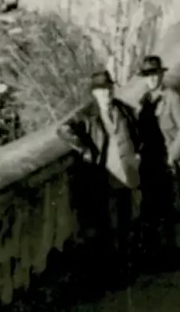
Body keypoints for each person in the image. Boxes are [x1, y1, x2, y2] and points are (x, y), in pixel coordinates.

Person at [59, 71, 141, 279]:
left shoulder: (123, 109)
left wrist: (137, 153)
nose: (107, 93)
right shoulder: (87, 114)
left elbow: (135, 131)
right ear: (94, 93)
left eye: (109, 88)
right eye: (102, 90)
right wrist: (84, 149)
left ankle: (125, 266)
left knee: (125, 220)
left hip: (126, 173)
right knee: (108, 224)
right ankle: (112, 271)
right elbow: (63, 129)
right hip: (103, 175)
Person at [138, 54, 180, 258]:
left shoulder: (172, 98)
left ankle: (175, 252)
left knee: (175, 207)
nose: (152, 78)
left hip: (172, 162)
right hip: (153, 162)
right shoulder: (144, 101)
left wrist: (172, 155)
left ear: (161, 75)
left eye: (155, 74)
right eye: (148, 75)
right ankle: (159, 251)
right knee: (156, 207)